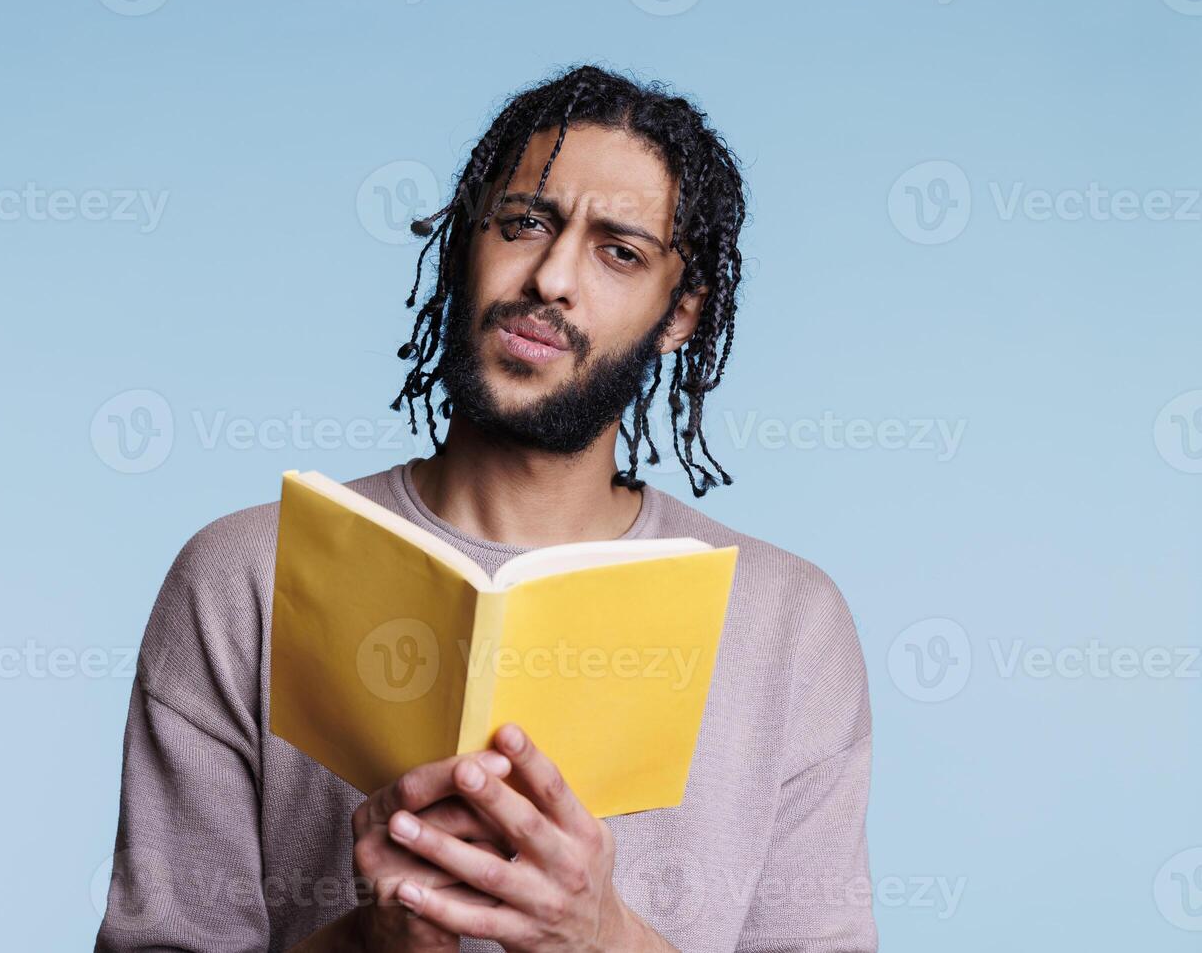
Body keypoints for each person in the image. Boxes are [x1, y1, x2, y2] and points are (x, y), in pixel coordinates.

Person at [95, 63, 876, 952]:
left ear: (680, 312)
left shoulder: (790, 623)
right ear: (469, 241)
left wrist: (603, 937)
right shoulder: (247, 576)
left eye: (619, 251)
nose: (551, 278)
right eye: (526, 223)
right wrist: (366, 945)